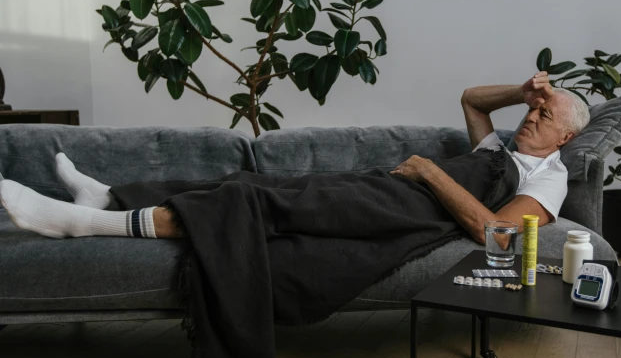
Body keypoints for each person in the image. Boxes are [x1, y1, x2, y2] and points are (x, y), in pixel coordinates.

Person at [0, 72, 589, 244]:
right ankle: (105, 196)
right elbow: (469, 98)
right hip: (388, 185)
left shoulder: (549, 180)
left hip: (410, 205)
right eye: (535, 108)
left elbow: (500, 236)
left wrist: (432, 171)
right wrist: (523, 89)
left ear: (563, 138)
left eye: (545, 114)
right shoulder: (499, 145)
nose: (533, 116)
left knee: (249, 201)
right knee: (243, 178)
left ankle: (80, 223)